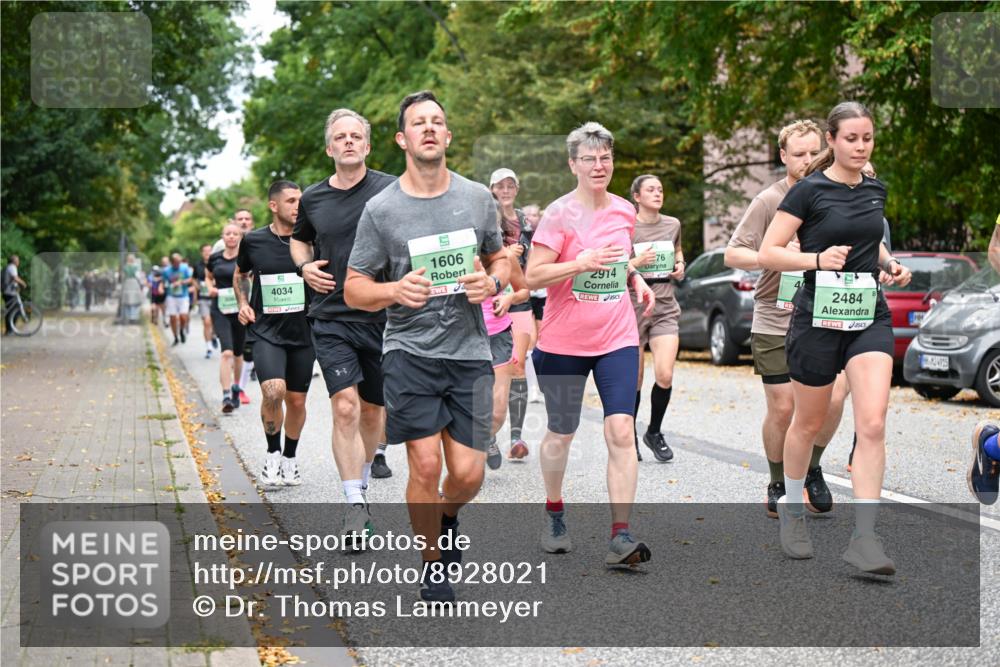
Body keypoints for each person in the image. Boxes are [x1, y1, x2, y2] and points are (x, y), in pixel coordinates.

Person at [344, 90, 510, 603]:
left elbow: (501, 258)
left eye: (438, 121)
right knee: (425, 466)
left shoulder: (477, 197)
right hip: (409, 350)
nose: (430, 129)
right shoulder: (382, 209)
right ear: (402, 139)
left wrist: (492, 282)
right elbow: (353, 286)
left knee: (467, 474)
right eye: (419, 123)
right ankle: (432, 565)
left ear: (448, 135)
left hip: (469, 351)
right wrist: (394, 290)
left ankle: (447, 515)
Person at [759, 101, 911, 574]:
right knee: (807, 423)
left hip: (867, 314)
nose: (861, 146)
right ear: (832, 140)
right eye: (852, 138)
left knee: (873, 423)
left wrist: (889, 265)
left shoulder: (875, 188)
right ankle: (791, 506)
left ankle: (865, 538)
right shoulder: (808, 192)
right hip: (817, 317)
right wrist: (816, 261)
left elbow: (871, 241)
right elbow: (769, 252)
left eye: (867, 138)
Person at [524, 122, 656, 567]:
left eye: (605, 158)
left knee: (621, 430)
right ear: (573, 164)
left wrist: (635, 278)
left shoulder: (623, 210)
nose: (598, 166)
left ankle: (621, 534)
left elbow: (617, 260)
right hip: (563, 342)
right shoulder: (558, 215)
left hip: (617, 337)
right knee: (561, 432)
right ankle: (555, 511)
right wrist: (576, 263)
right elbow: (533, 276)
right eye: (589, 159)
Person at [724, 120, 849, 517]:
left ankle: (812, 469)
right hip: (776, 317)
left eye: (814, 152)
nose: (808, 160)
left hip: (825, 314)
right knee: (783, 408)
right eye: (799, 154)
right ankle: (777, 481)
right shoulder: (768, 200)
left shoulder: (834, 195)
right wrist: (775, 253)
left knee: (833, 399)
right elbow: (733, 254)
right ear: (783, 157)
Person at [290, 108, 397, 544]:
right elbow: (300, 238)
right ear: (329, 147)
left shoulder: (393, 189)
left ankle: (363, 482)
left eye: (356, 136)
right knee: (345, 406)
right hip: (331, 314)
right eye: (341, 136)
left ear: (367, 146)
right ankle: (354, 505)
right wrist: (303, 268)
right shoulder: (313, 198)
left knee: (373, 411)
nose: (349, 141)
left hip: (382, 316)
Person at [235, 182, 315, 487]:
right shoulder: (254, 241)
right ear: (273, 206)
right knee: (273, 391)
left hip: (304, 332)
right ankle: (272, 452)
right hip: (266, 330)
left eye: (301, 201)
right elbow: (241, 274)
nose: (298, 206)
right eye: (291, 201)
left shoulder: (312, 240)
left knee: (296, 401)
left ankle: (290, 458)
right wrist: (243, 303)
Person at [628, 174, 685, 463]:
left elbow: (677, 249)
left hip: (664, 303)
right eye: (651, 189)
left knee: (664, 374)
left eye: (660, 189)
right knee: (634, 380)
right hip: (633, 306)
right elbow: (615, 261)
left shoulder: (672, 224)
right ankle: (628, 438)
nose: (657, 193)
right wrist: (635, 264)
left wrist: (680, 264)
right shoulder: (627, 226)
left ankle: (654, 432)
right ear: (637, 196)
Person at [488, 168, 533, 463]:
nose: (505, 190)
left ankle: (515, 435)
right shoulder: (485, 219)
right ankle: (485, 435)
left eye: (510, 185)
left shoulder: (528, 222)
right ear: (491, 189)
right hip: (484, 310)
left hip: (516, 302)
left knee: (517, 366)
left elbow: (526, 282)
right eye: (500, 186)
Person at [206, 223, 246, 413]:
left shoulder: (246, 258)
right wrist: (210, 288)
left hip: (239, 310)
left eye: (235, 234)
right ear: (222, 237)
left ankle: (237, 386)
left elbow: (251, 279)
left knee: (238, 354)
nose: (231, 236)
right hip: (220, 309)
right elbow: (208, 276)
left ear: (240, 236)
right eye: (228, 233)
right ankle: (226, 395)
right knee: (226, 353)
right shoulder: (214, 258)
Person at [522, 204, 546, 403]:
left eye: (534, 214)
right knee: (530, 337)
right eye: (527, 214)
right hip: (524, 292)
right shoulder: (519, 236)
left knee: (543, 337)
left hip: (544, 293)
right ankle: (531, 388)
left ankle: (541, 383)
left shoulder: (547, 235)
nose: (530, 217)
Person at [163, 253, 194, 345]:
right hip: (171, 296)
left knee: (183, 316)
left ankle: (181, 330)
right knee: (172, 318)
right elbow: (164, 282)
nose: (178, 264)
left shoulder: (184, 268)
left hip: (183, 295)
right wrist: (165, 286)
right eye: (176, 262)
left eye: (179, 262)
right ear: (172, 262)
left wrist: (181, 282)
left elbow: (191, 279)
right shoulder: (166, 270)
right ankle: (175, 337)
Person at [193, 244, 217, 358]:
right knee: (207, 322)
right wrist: (197, 286)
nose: (207, 253)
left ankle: (213, 336)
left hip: (216, 297)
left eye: (209, 250)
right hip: (203, 298)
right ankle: (209, 348)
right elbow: (193, 278)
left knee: (214, 322)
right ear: (202, 253)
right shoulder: (197, 265)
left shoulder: (217, 262)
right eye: (205, 251)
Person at [3, 254, 28, 333]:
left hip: (8, 292)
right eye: (17, 260)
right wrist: (23, 283)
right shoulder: (12, 267)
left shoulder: (9, 267)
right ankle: (10, 329)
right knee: (15, 311)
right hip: (10, 292)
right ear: (14, 261)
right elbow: (15, 278)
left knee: (11, 310)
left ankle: (9, 329)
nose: (19, 262)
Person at [121, 254, 144, 324]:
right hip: (134, 283)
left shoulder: (124, 267)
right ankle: (133, 317)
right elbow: (138, 276)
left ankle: (128, 316)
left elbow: (122, 277)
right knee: (135, 301)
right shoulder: (136, 267)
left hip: (127, 283)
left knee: (127, 301)